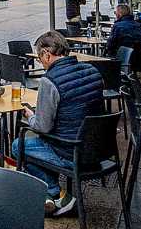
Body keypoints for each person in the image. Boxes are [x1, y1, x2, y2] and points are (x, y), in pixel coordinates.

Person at [12, 30, 105, 215]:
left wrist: (30, 115)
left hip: (70, 152)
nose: (41, 63)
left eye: (40, 58)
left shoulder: (50, 81)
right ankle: (51, 195)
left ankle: (57, 194)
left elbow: (42, 126)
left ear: (47, 54)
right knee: (41, 141)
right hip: (99, 149)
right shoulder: (93, 71)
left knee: (19, 145)